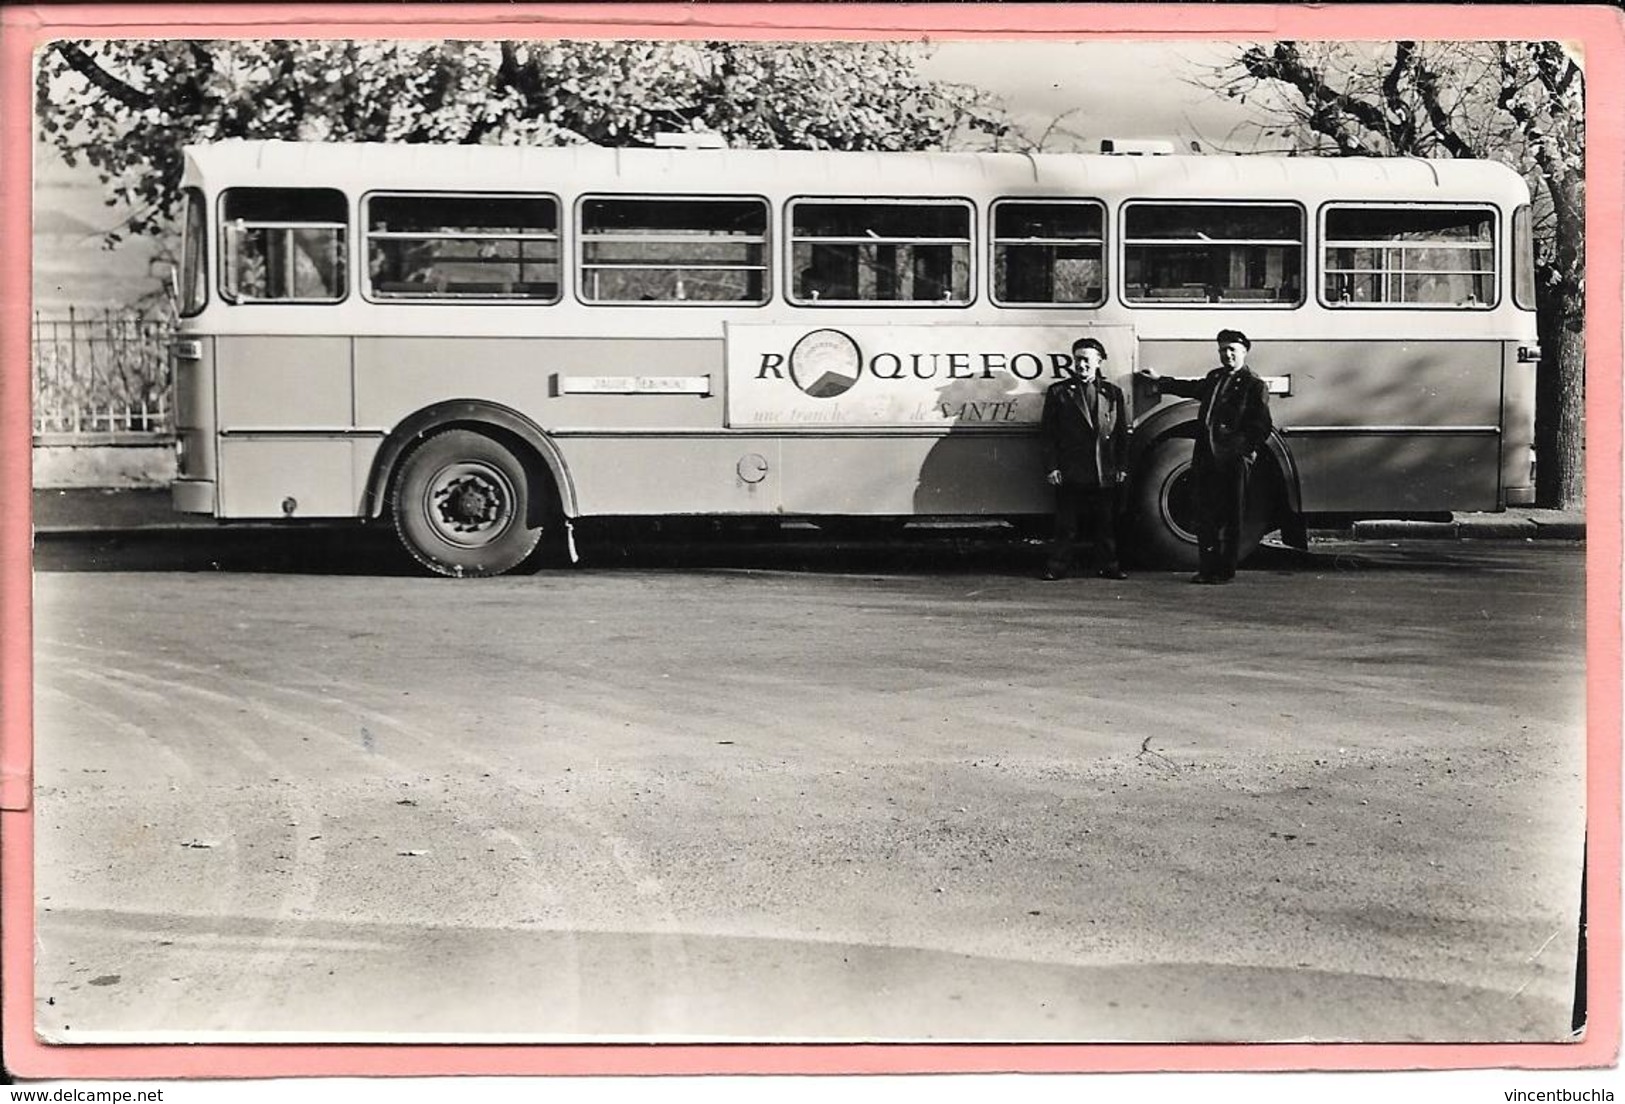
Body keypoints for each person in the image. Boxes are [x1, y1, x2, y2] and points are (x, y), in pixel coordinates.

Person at [1137, 329, 1273, 585]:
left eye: (1233, 350)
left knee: (1231, 516)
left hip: (1232, 459)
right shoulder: (1215, 378)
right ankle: (1207, 568)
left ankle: (1224, 571)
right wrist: (1160, 381)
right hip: (1206, 457)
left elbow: (1261, 425)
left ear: (1244, 352)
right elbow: (1192, 388)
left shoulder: (1254, 385)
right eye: (1223, 350)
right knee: (1205, 514)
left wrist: (1242, 451)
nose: (1227, 355)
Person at [1038, 336, 1129, 581]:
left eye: (1087, 360)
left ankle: (1109, 565)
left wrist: (1121, 466)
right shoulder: (1059, 392)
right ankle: (1057, 566)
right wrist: (1052, 467)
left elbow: (1121, 432)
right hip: (1071, 468)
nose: (1082, 365)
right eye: (1078, 359)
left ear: (1099, 362)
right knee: (1066, 524)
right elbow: (1048, 434)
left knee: (1105, 523)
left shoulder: (1112, 393)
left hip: (1103, 467)